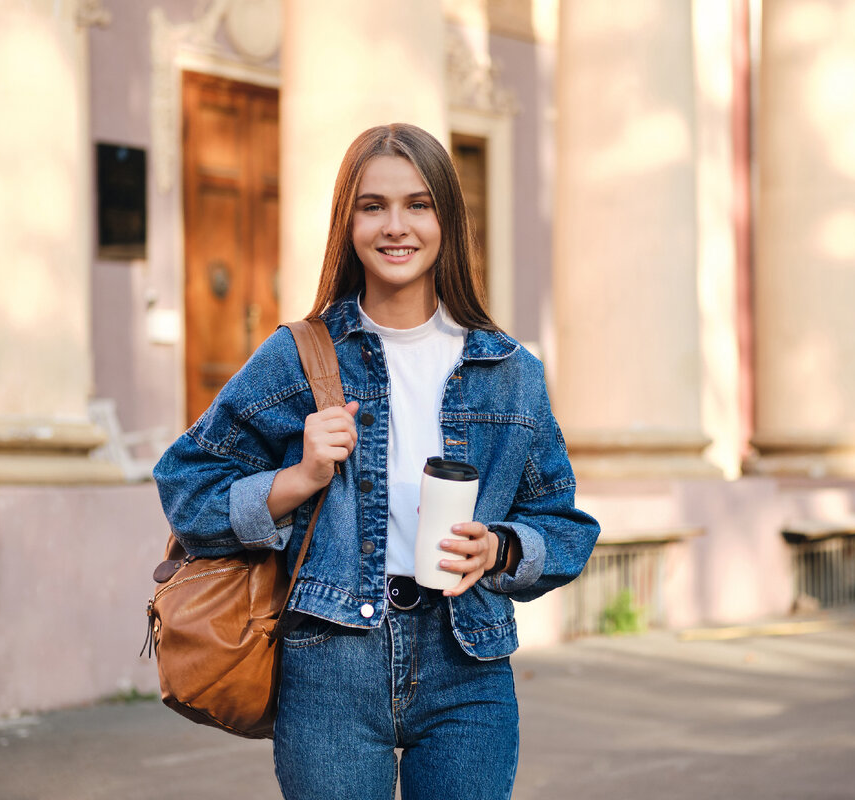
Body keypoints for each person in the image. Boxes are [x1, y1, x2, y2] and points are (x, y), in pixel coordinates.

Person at [153, 122, 600, 800]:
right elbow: (187, 487)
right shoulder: (299, 358)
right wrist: (297, 479)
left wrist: (502, 548)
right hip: (331, 659)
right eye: (373, 206)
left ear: (448, 219)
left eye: (418, 204)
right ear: (349, 222)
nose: (397, 226)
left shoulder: (510, 373)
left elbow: (564, 527)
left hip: (468, 663)